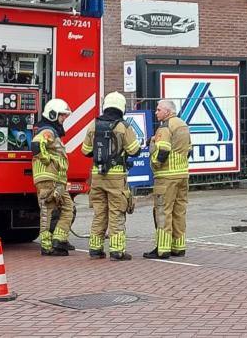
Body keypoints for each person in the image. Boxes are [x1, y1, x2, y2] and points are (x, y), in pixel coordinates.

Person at [81, 92, 142, 261]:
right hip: (116, 177)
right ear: (121, 107)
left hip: (97, 176)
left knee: (100, 213)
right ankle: (117, 251)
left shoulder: (94, 125)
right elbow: (134, 150)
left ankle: (95, 249)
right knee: (117, 213)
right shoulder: (123, 126)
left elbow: (85, 151)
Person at [145, 99, 192, 259]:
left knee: (163, 211)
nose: (156, 112)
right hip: (182, 175)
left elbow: (163, 150)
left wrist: (155, 164)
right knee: (179, 211)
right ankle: (178, 247)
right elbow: (189, 150)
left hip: (166, 177)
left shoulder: (165, 127)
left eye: (158, 110)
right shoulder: (183, 125)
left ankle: (162, 249)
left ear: (167, 111)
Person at [32, 98, 75, 256]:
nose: (64, 119)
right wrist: (47, 160)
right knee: (47, 212)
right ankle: (47, 246)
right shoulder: (47, 131)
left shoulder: (53, 132)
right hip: (48, 180)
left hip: (57, 181)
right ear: (52, 115)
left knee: (68, 208)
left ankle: (58, 240)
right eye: (62, 115)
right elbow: (36, 144)